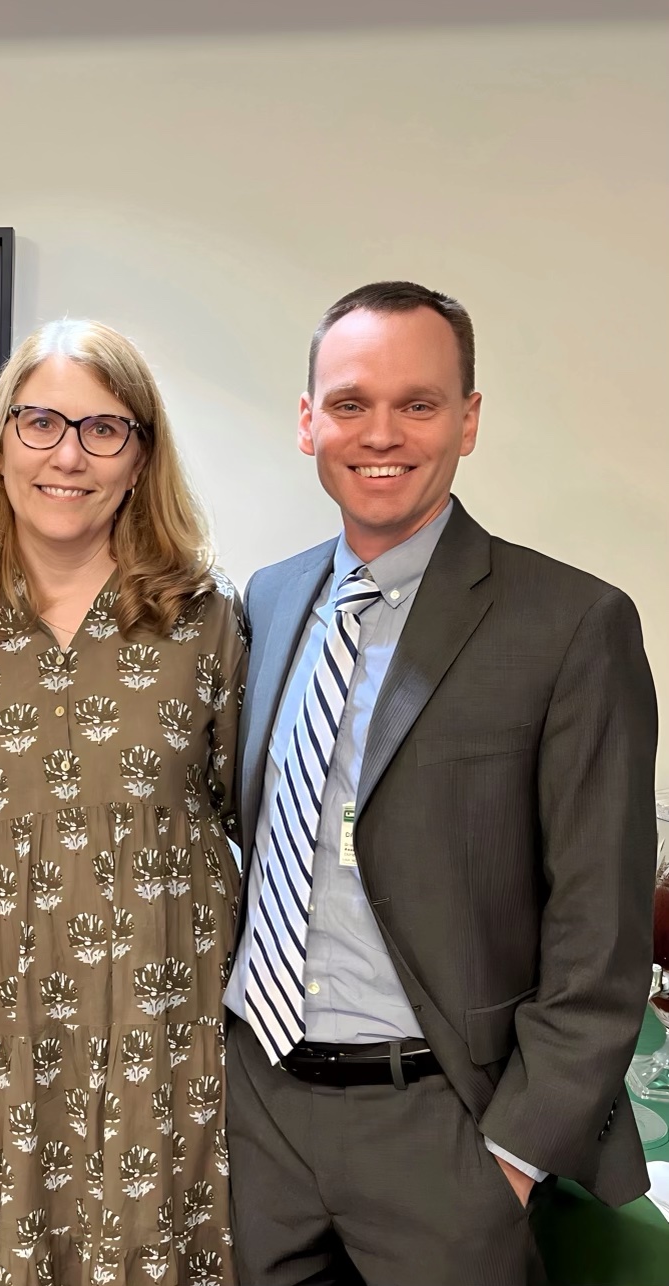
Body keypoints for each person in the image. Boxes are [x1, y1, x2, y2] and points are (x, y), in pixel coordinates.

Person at [224, 281, 657, 1285]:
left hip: (441, 1124)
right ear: (306, 422)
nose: (381, 432)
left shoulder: (570, 623)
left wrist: (510, 1153)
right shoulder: (272, 597)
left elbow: (601, 931)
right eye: (349, 402)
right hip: (257, 1111)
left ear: (467, 420)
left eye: (417, 403)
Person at [0, 321, 245, 1285]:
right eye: (39, 423)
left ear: (140, 455)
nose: (67, 455)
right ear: (0, 442)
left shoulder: (207, 616)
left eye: (103, 429)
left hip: (163, 1033)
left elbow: (254, 821)